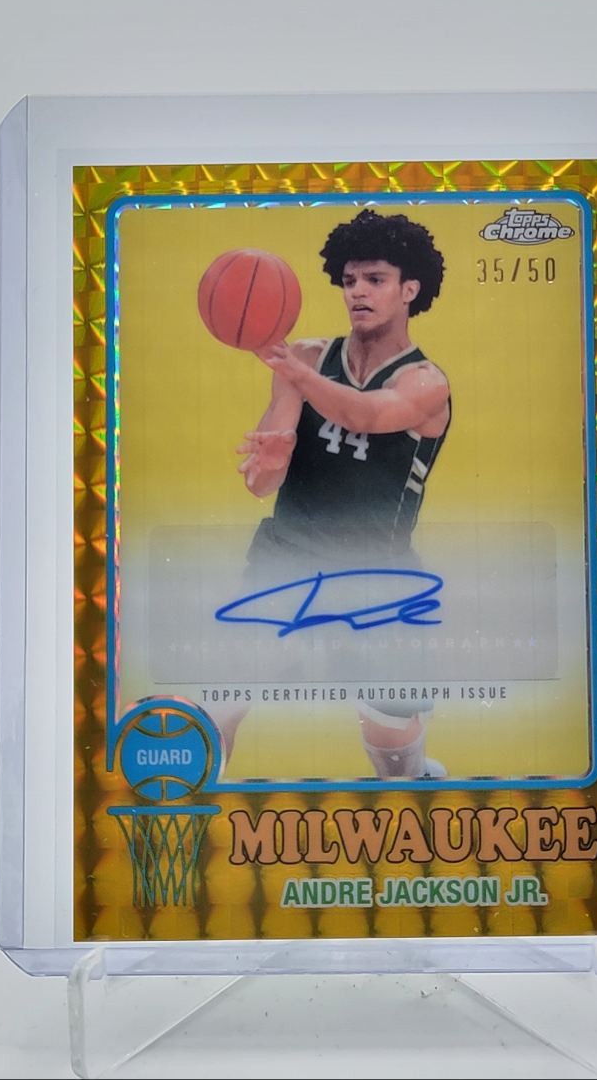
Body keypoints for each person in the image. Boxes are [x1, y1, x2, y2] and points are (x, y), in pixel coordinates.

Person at [224, 208, 451, 778]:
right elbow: (260, 483)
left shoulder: (425, 382)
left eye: (375, 279)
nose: (358, 292)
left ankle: (411, 780)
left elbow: (368, 416)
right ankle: (195, 800)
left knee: (387, 731)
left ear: (410, 289)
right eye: (349, 281)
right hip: (287, 555)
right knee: (222, 694)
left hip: (375, 569)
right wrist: (270, 462)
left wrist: (297, 376)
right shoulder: (307, 356)